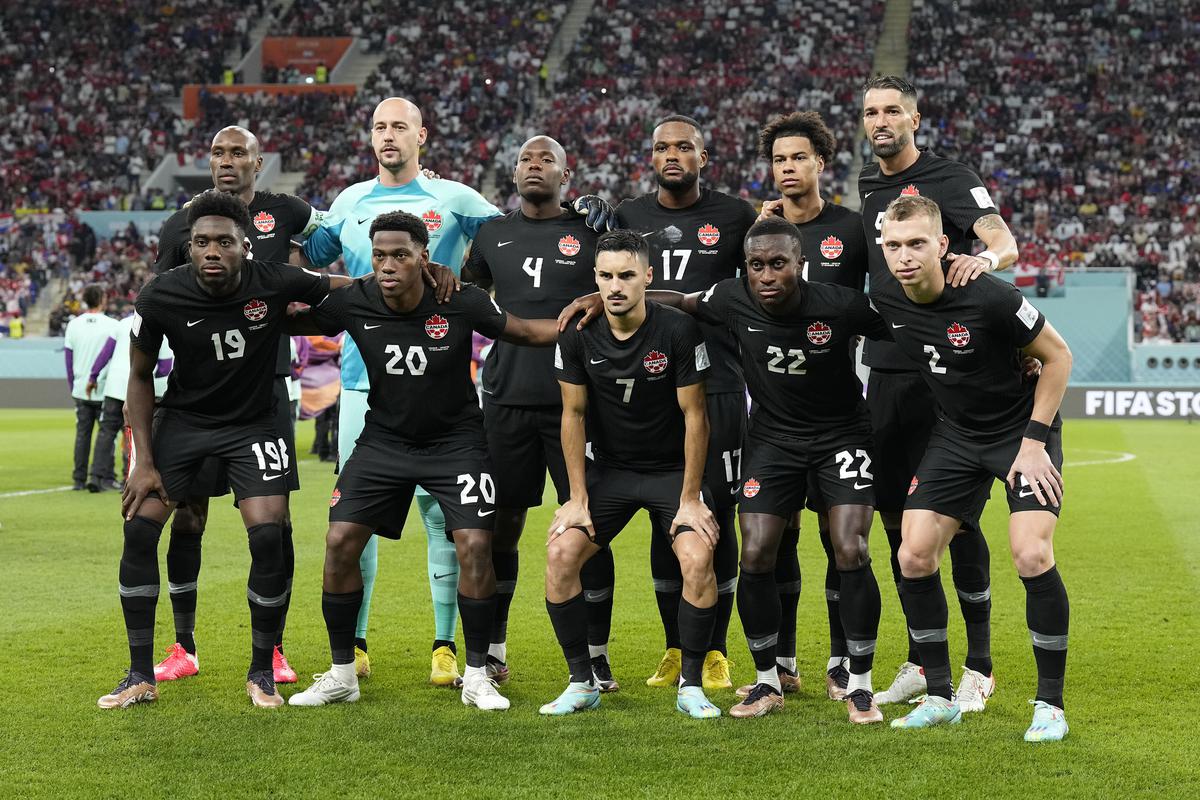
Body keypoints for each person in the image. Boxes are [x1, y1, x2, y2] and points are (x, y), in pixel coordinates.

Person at [287, 211, 559, 710]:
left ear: (424, 258)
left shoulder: (458, 300)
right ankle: (343, 673)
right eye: (380, 255)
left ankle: (477, 675)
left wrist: (597, 312)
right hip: (384, 442)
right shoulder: (354, 299)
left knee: (476, 543)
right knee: (340, 540)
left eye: (401, 255)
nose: (388, 264)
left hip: (456, 444)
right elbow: (294, 318)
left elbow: (524, 331)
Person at [98, 190, 346, 710]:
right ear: (189, 248)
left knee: (268, 536)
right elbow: (140, 378)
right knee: (139, 528)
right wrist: (143, 461)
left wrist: (420, 278)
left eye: (224, 242)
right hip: (183, 423)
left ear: (246, 246)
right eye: (202, 242)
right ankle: (139, 674)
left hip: (255, 425)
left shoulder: (274, 281)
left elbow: (346, 290)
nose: (212, 250)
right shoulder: (160, 294)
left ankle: (262, 671)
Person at [300, 97, 501, 686]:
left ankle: (445, 645)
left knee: (444, 518)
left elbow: (509, 245)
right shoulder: (350, 201)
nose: (388, 136)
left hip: (441, 389)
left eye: (399, 127)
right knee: (355, 522)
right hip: (362, 387)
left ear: (422, 135)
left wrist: (468, 281)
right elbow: (311, 257)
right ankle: (354, 647)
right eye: (379, 127)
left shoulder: (456, 199)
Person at [875, 195, 1072, 742]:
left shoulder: (988, 295)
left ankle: (1049, 706)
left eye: (917, 243)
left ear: (942, 245)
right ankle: (939, 695)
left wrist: (1034, 444)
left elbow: (1058, 358)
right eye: (893, 245)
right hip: (958, 436)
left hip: (1021, 432)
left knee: (1031, 553)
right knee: (913, 554)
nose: (905, 255)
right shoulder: (887, 298)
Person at [575, 115, 757, 692]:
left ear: (705, 156)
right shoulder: (628, 216)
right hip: (652, 394)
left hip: (720, 385)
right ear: (650, 158)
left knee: (711, 517)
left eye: (684, 147)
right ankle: (677, 649)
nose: (672, 155)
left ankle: (716, 652)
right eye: (661, 147)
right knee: (663, 526)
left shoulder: (737, 215)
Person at [858, 76, 1021, 710]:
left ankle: (979, 665)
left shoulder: (949, 177)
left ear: (915, 119)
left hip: (943, 378)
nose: (881, 121)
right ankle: (925, 663)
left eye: (892, 110)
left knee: (961, 523)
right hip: (886, 373)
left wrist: (988, 262)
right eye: (871, 113)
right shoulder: (871, 190)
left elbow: (1001, 238)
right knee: (901, 525)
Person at [150, 125, 323, 686]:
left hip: (267, 388)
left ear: (259, 160)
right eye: (219, 153)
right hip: (199, 396)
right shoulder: (184, 223)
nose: (227, 161)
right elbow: (164, 302)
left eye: (238, 153)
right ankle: (183, 645)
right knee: (188, 516)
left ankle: (272, 649)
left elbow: (332, 243)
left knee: (276, 523)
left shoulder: (291, 211)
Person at [543, 230, 721, 719]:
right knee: (560, 555)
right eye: (605, 276)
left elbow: (695, 417)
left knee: (697, 557)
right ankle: (582, 682)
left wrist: (690, 499)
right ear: (594, 278)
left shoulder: (677, 331)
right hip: (613, 473)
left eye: (626, 275)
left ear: (648, 276)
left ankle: (691, 684)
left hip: (670, 474)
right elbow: (572, 416)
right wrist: (577, 498)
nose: (615, 286)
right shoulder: (576, 333)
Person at [458, 135, 602, 683]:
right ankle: (492, 650)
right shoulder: (493, 234)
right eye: (525, 159)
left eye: (547, 159)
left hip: (580, 402)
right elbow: (464, 297)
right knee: (501, 528)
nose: (534, 166)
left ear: (568, 175)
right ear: (513, 173)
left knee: (590, 526)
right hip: (507, 399)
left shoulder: (591, 232)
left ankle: (596, 652)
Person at [756, 111, 871, 699]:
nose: (788, 169)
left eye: (799, 157)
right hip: (772, 414)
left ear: (821, 163)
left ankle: (840, 661)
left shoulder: (850, 228)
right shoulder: (757, 233)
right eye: (779, 160)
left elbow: (891, 303)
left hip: (837, 414)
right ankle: (781, 660)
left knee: (839, 540)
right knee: (775, 542)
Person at [87, 310, 174, 487]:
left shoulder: (121, 324)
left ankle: (96, 477)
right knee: (138, 435)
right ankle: (130, 479)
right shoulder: (161, 324)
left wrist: (93, 377)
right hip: (139, 392)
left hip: (114, 388)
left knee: (106, 433)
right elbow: (165, 367)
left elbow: (105, 354)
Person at [64, 284, 120, 492]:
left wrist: (73, 386)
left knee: (82, 434)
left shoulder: (73, 325)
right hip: (104, 388)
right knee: (108, 434)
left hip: (80, 388)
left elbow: (68, 360)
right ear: (102, 299)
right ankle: (105, 476)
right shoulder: (112, 325)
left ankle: (78, 478)